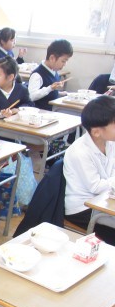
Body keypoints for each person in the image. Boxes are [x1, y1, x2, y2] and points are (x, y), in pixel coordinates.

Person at [63, 95, 115, 245]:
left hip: (105, 199)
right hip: (83, 208)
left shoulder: (110, 141)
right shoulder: (80, 152)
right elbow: (96, 187)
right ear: (97, 132)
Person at [0, 56, 33, 137]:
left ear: (10, 77)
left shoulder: (22, 89)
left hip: (15, 130)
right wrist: (2, 113)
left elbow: (29, 104)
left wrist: (18, 110)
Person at [28, 39, 73, 111]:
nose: (65, 64)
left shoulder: (54, 72)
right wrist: (50, 88)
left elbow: (49, 93)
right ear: (52, 58)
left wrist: (61, 94)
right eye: (63, 61)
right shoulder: (37, 74)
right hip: (39, 113)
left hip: (51, 111)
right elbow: (31, 96)